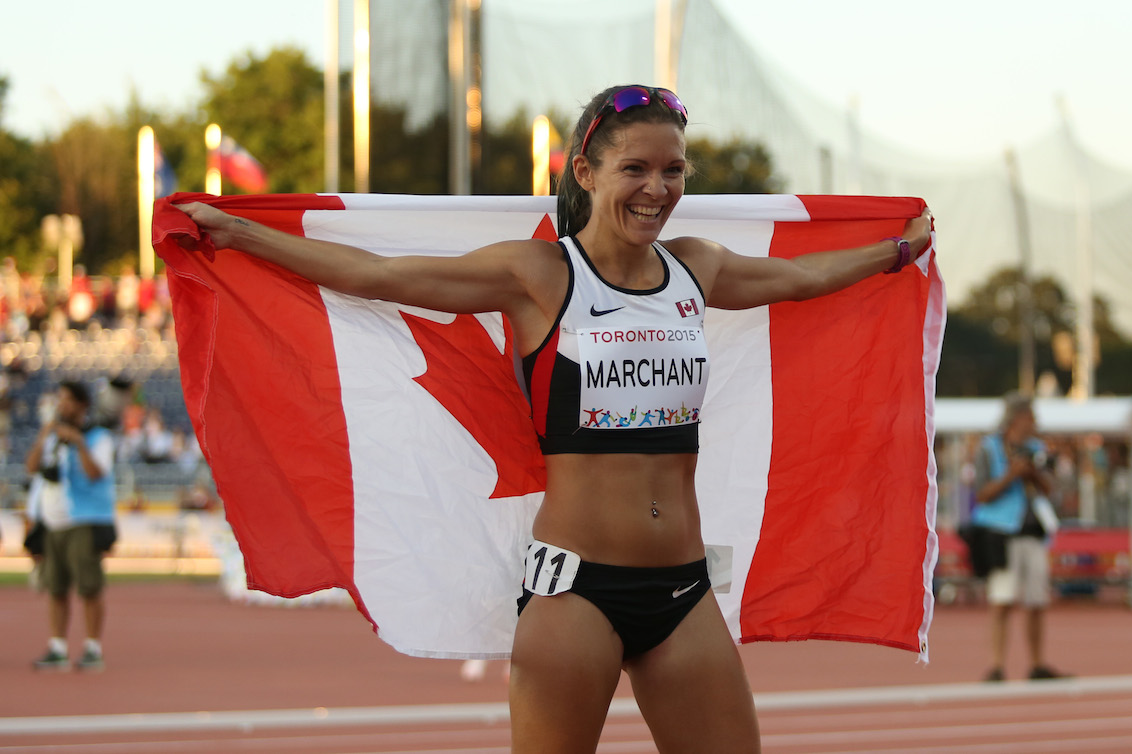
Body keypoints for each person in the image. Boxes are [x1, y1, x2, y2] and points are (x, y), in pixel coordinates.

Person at [176, 84, 932, 751]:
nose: (656, 189)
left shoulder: (697, 267)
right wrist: (239, 234)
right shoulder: (539, 274)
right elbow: (379, 274)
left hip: (683, 590)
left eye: (673, 171)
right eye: (634, 168)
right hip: (576, 592)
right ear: (585, 172)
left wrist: (896, 253)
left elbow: (801, 276)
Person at [971, 392, 1067, 682]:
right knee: (1002, 600)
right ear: (1017, 419)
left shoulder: (1038, 449)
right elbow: (982, 494)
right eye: (1031, 417)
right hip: (1001, 533)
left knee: (1037, 600)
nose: (1035, 422)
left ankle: (1037, 663)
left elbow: (1053, 490)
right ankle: (997, 665)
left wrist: (1033, 474)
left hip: (1033, 532)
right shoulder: (988, 449)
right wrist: (1012, 474)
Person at [25, 380, 117, 672]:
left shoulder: (98, 437)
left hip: (84, 520)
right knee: (56, 588)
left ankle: (92, 647)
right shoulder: (52, 435)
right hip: (53, 522)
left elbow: (94, 473)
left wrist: (77, 442)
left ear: (81, 405)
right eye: (59, 400)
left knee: (89, 587)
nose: (60, 405)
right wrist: (44, 437)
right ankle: (58, 647)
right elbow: (31, 467)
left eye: (66, 400)